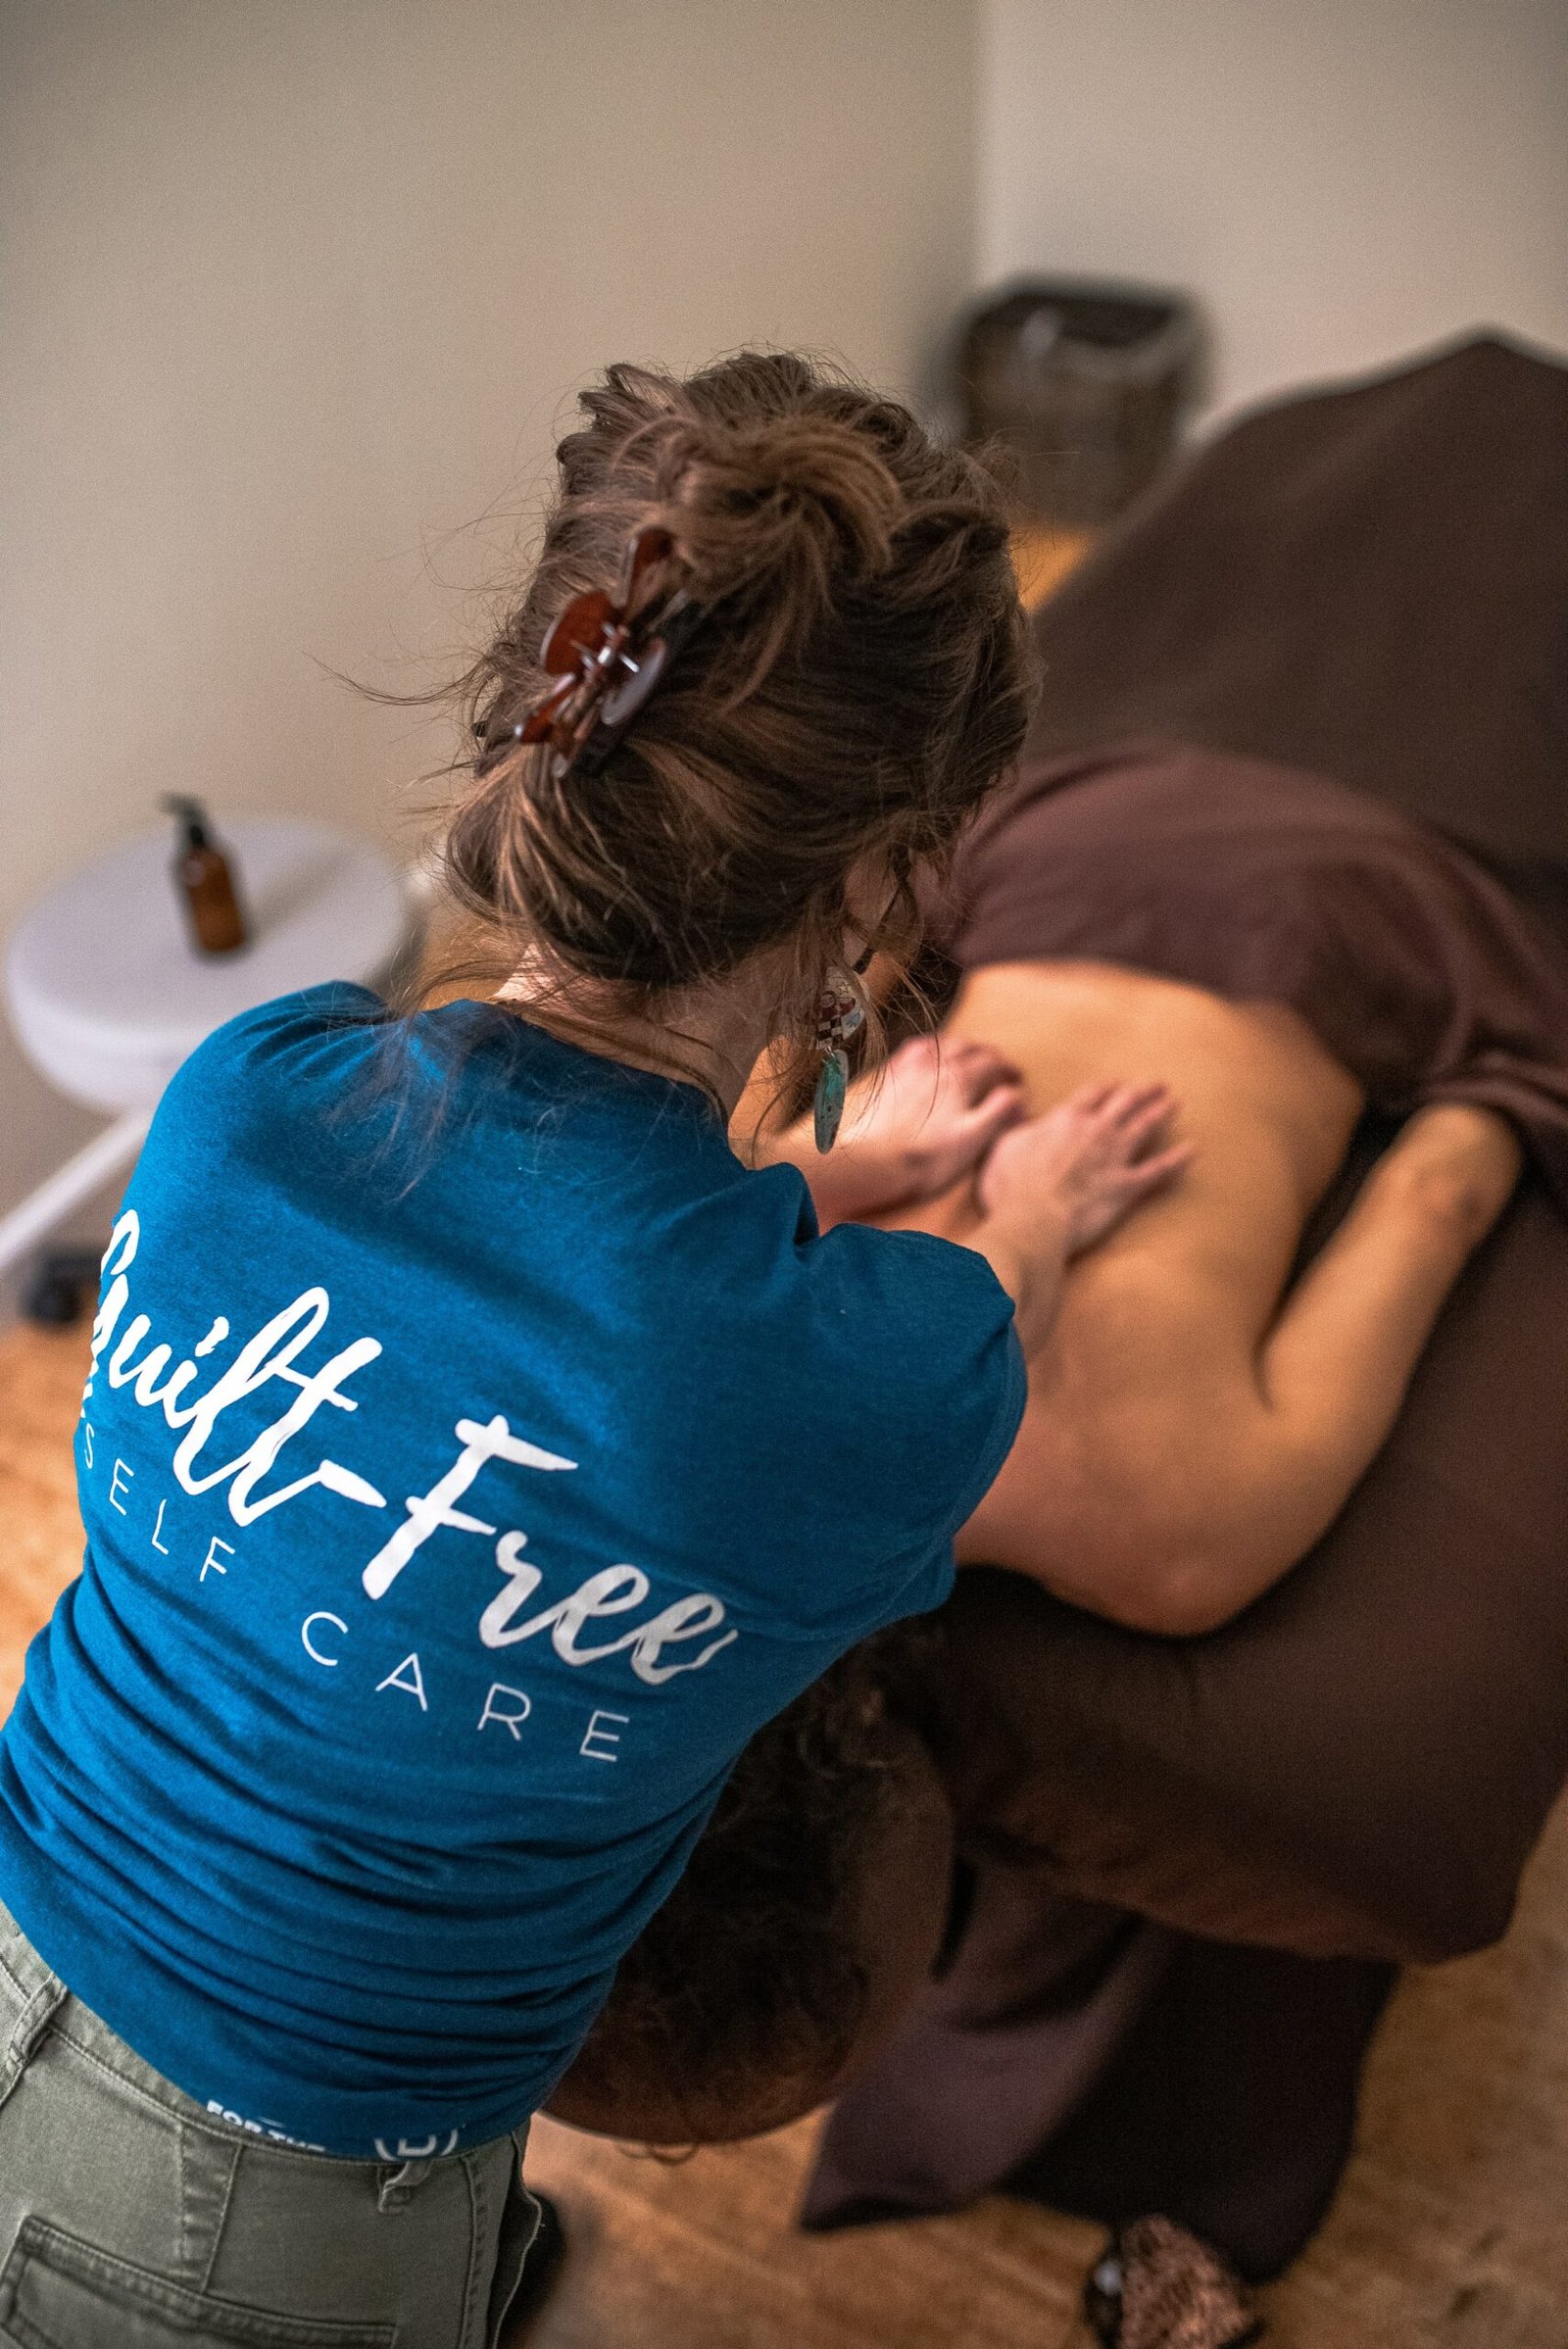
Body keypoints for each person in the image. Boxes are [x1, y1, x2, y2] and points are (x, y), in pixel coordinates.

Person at [0, 352, 1187, 2346]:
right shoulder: (874, 1386)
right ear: (888, 875)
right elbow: (884, 1335)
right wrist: (1031, 1213)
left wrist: (842, 1170)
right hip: (261, 2211)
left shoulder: (246, 1098)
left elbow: (549, 1277)